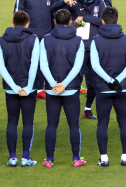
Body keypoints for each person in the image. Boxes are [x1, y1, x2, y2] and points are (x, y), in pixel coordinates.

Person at [52, 0, 106, 119]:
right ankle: (73, 109)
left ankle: (87, 109)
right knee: (75, 79)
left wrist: (85, 17)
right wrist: (64, 2)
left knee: (93, 82)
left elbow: (103, 21)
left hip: (93, 48)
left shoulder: (100, 3)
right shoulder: (74, 2)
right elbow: (53, 10)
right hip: (77, 47)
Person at [39, 9, 85, 168]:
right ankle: (76, 158)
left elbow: (43, 65)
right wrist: (64, 84)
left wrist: (54, 84)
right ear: (70, 21)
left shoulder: (45, 40)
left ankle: (49, 159)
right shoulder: (78, 40)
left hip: (53, 90)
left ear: (55, 22)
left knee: (51, 124)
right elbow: (77, 66)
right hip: (71, 89)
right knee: (74, 125)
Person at [91, 7, 126, 166]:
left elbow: (95, 66)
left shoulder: (96, 40)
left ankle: (104, 159)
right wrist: (118, 80)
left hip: (103, 89)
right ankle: (125, 157)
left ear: (102, 21)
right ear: (118, 20)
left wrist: (109, 80)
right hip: (121, 89)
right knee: (124, 123)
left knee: (102, 123)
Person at [0, 11, 40, 167]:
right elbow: (35, 64)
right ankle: (25, 157)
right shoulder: (34, 39)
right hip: (29, 89)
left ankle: (12, 157)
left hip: (11, 89)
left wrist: (15, 88)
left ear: (12, 23)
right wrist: (27, 87)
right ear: (27, 23)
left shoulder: (2, 40)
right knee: (28, 122)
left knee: (12, 122)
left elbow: (1, 67)